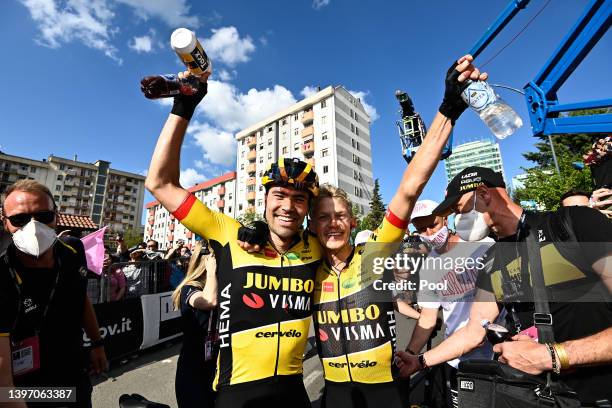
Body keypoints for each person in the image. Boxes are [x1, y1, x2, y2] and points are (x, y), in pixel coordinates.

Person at [240, 54, 488, 408]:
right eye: (323, 217)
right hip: (336, 393)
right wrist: (254, 232)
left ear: (353, 222)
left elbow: (409, 187)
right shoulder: (307, 262)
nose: (333, 223)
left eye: (340, 215)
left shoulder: (376, 252)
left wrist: (449, 108)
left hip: (385, 390)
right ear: (313, 225)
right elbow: (279, 233)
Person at [144, 70, 323, 408]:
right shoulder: (228, 233)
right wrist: (184, 106)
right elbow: (160, 183)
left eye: (300, 199)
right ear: (265, 200)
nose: (288, 206)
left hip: (293, 393)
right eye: (280, 195)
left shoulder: (317, 248)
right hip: (234, 395)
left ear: (308, 208)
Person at [395, 166, 612, 405]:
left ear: (484, 194)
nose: (458, 220)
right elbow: (472, 332)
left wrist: (554, 355)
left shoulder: (575, 224)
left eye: (459, 209)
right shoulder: (491, 261)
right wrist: (420, 361)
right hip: (543, 396)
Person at [0, 180, 106, 407]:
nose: (33, 227)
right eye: (20, 219)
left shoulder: (73, 250)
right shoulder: (2, 272)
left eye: (43, 216)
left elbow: (81, 297)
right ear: (5, 223)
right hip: (25, 387)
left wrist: (97, 343)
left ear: (56, 217)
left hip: (73, 373)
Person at [404, 199, 495, 408]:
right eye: (421, 229)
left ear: (445, 218)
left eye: (432, 225)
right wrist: (409, 355)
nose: (428, 233)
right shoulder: (428, 267)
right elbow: (428, 316)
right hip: (457, 358)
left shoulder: (482, 245)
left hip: (496, 354)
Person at [172, 240, 218, 408]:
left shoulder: (218, 286)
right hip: (193, 368)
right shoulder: (190, 287)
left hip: (214, 365)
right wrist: (211, 272)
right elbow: (209, 301)